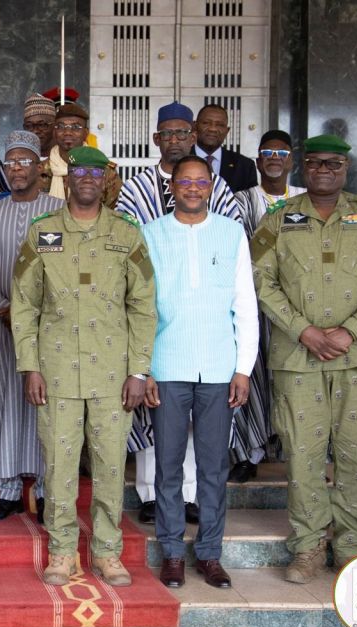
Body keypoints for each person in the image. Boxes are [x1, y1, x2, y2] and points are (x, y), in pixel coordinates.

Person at [251, 134, 357, 583]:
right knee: (303, 455)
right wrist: (304, 330)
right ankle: (307, 547)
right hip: (299, 359)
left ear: (345, 169)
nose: (323, 170)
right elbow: (262, 282)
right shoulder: (279, 220)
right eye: (315, 163)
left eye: (333, 164)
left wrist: (349, 331)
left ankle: (354, 546)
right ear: (303, 167)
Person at [11, 146, 156, 587]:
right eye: (80, 172)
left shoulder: (127, 234)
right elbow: (24, 305)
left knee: (111, 465)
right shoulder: (43, 233)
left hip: (113, 375)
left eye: (97, 172)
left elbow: (144, 306)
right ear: (68, 179)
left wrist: (138, 371)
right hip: (55, 372)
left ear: (106, 180)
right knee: (58, 464)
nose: (88, 179)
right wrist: (29, 366)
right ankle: (61, 552)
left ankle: (108, 553)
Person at [116, 101, 243, 524]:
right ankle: (153, 497)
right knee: (160, 437)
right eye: (166, 134)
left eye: (181, 133)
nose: (174, 140)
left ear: (192, 137)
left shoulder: (220, 192)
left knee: (203, 447)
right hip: (161, 338)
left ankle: (191, 500)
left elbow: (228, 240)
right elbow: (128, 250)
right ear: (156, 140)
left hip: (210, 342)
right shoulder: (136, 191)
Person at [143, 155, 258, 591]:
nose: (192, 187)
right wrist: (144, 369)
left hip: (217, 367)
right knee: (168, 466)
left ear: (211, 186)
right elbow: (142, 306)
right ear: (171, 185)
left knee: (212, 468)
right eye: (184, 181)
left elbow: (244, 303)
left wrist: (242, 369)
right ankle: (172, 552)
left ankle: (209, 554)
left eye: (200, 181)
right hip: (167, 366)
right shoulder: (151, 234)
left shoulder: (231, 234)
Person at [0, 131, 63, 523]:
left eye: (24, 161)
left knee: (45, 404)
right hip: (1, 324)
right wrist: (4, 306)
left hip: (52, 327)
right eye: (10, 163)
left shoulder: (60, 211)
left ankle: (43, 491)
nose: (16, 169)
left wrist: (39, 313)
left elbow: (66, 268)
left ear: (40, 165)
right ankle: (7, 491)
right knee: (3, 401)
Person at [229, 129, 306, 483]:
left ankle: (300, 453)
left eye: (281, 152)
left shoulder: (305, 200)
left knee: (294, 381)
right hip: (256, 303)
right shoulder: (242, 199)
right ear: (258, 161)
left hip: (300, 308)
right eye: (267, 152)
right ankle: (250, 452)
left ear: (292, 160)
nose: (274, 158)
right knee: (254, 377)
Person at [44, 103, 122, 208]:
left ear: (86, 133)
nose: (67, 132)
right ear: (54, 132)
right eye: (61, 126)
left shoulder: (104, 171)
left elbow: (116, 213)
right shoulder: (40, 171)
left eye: (76, 127)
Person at [194, 103, 258, 193]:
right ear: (195, 126)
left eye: (220, 125)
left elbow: (249, 203)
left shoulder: (245, 166)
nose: (213, 129)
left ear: (227, 131)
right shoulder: (179, 160)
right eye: (206, 123)